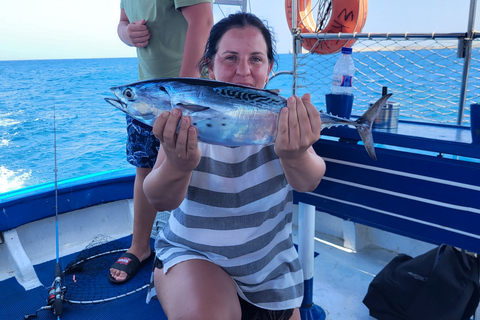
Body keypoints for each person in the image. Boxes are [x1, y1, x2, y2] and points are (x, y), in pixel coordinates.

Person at [144, 12, 326, 320]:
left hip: (270, 267)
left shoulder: (282, 118)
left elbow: (309, 180)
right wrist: (177, 165)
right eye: (230, 58)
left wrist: (295, 155)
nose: (244, 71)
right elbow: (159, 198)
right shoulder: (189, 118)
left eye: (256, 59)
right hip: (195, 255)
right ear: (210, 67)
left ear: (269, 68)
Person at [109, 0, 213, 284]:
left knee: (199, 170)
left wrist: (185, 93)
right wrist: (126, 34)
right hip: (145, 99)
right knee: (145, 168)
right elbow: (122, 21)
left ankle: (201, 249)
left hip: (194, 99)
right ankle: (139, 246)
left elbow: (203, 21)